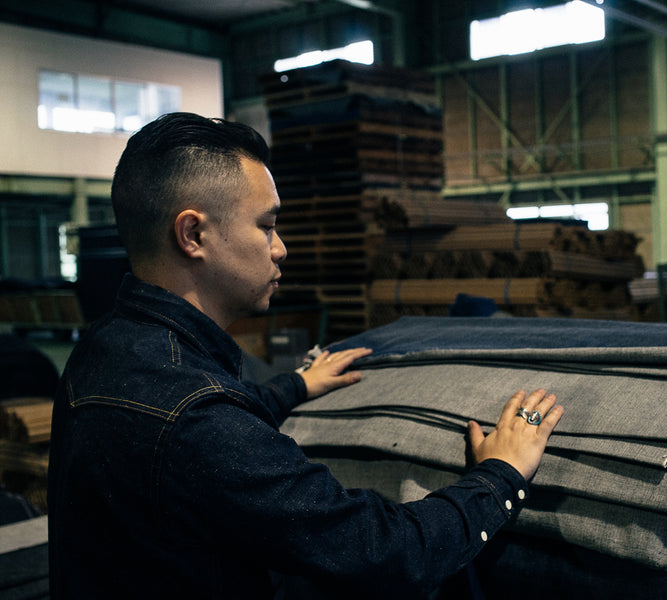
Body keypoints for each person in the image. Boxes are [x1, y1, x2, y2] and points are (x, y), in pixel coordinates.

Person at [47, 112, 563, 599]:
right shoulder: (199, 420)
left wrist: (295, 385)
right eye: (266, 225)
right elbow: (387, 553)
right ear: (194, 234)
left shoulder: (106, 347)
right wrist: (500, 476)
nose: (281, 248)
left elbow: (198, 431)